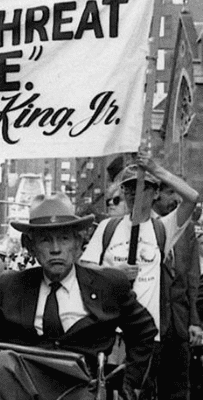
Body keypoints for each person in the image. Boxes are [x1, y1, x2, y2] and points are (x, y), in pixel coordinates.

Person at [0, 193, 157, 400]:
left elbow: (145, 331)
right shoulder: (10, 286)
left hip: (80, 385)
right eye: (45, 240)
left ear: (78, 244)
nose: (56, 249)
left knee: (4, 364)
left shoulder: (108, 284)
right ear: (31, 247)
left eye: (64, 238)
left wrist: (129, 384)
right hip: (20, 381)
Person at [80, 153, 199, 397]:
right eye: (129, 188)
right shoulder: (107, 229)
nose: (135, 192)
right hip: (112, 334)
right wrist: (113, 274)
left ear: (155, 193)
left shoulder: (162, 229)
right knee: (108, 393)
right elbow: (84, 272)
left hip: (147, 337)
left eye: (143, 187)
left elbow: (192, 198)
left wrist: (155, 169)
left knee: (140, 393)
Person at [151, 181, 202, 399]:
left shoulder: (186, 226)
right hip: (150, 327)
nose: (175, 199)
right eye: (170, 192)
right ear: (156, 194)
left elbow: (192, 277)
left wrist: (194, 322)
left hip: (179, 325)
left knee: (179, 390)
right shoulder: (141, 228)